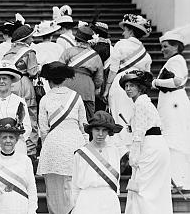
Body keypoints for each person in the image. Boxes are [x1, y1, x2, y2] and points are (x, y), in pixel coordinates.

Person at [120, 70, 175, 214]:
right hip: (157, 146)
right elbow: (151, 125)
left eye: (132, 86)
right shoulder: (144, 103)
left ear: (140, 87)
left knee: (142, 189)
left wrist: (133, 156)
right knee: (150, 190)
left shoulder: (141, 103)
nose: (128, 89)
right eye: (126, 86)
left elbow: (139, 134)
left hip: (150, 148)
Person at [37, 62, 87, 214]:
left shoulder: (45, 99)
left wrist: (46, 145)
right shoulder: (77, 97)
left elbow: (43, 129)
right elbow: (83, 125)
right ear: (65, 79)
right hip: (75, 142)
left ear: (49, 81)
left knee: (54, 189)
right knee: (75, 185)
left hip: (53, 143)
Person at [103, 14, 153, 156]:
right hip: (137, 88)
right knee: (132, 117)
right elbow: (147, 77)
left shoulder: (120, 45)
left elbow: (113, 70)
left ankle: (122, 151)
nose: (123, 33)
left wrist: (106, 89)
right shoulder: (145, 54)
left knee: (119, 116)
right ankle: (132, 150)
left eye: (124, 29)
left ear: (130, 30)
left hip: (120, 84)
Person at [153, 30, 190, 191]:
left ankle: (179, 180)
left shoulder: (176, 60)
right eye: (161, 46)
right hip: (172, 104)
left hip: (175, 105)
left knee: (175, 142)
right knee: (171, 140)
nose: (162, 49)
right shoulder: (174, 60)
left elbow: (177, 81)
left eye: (166, 46)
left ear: (176, 46)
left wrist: (156, 82)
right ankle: (176, 179)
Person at [1, 17, 39, 162]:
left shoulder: (8, 52)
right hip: (24, 84)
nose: (32, 39)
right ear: (26, 38)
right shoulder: (29, 52)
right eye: (31, 37)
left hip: (10, 84)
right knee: (30, 116)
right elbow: (33, 72)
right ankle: (30, 151)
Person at [59, 25, 105, 121]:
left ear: (76, 38)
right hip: (87, 88)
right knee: (87, 118)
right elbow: (99, 80)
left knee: (66, 116)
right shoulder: (96, 56)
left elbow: (59, 69)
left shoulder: (68, 52)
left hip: (68, 85)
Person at [0, 64, 31, 156]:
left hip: (16, 147)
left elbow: (27, 127)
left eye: (4, 78)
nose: (1, 81)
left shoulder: (19, 102)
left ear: (11, 81)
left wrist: (12, 141)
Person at [88, 20, 113, 112]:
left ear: (95, 34)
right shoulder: (110, 46)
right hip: (106, 82)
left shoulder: (98, 48)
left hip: (98, 84)